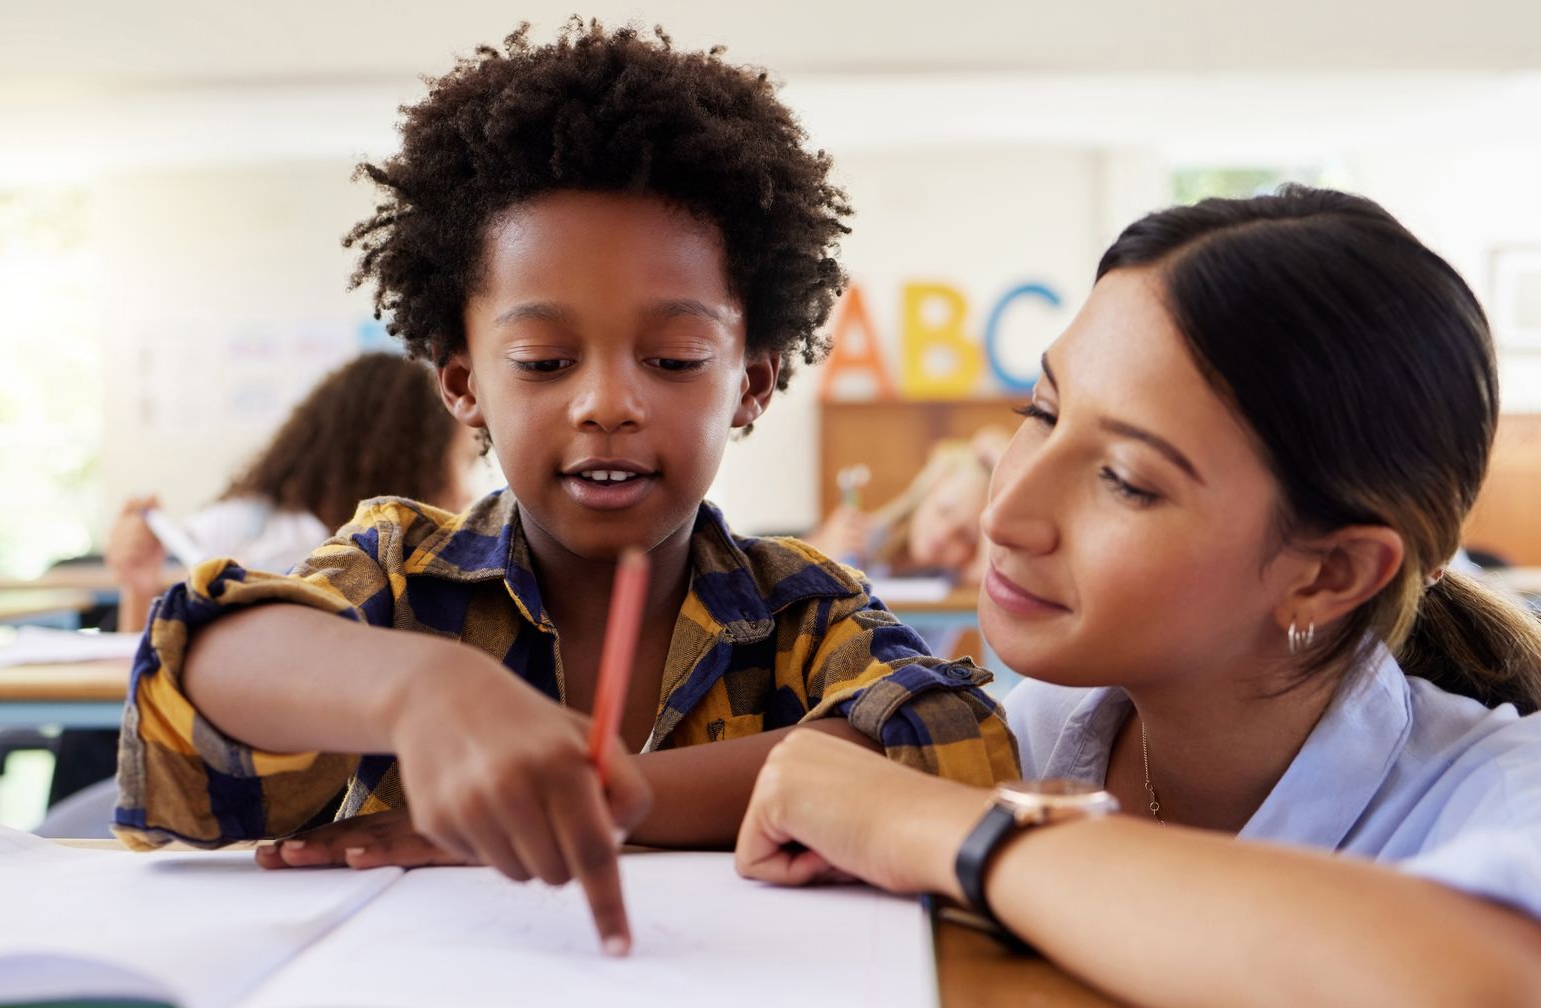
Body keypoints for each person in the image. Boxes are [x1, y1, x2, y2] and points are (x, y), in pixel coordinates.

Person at [730, 187, 1541, 1008]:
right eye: (1043, 410)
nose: (1007, 510)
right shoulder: (1034, 735)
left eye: (1126, 479)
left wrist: (962, 835)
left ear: (1328, 574)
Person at [111, 21, 1019, 954]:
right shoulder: (401, 578)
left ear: (750, 381)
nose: (608, 403)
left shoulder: (800, 611)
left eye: (674, 358)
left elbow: (960, 748)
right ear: (464, 383)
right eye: (543, 361)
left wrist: (608, 794)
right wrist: (417, 689)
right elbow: (188, 697)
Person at [103, 351, 477, 636]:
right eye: (463, 464)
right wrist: (138, 587)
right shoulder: (243, 529)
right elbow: (148, 675)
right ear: (406, 462)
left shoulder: (418, 570)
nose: (466, 493)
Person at [808, 426, 1011, 583]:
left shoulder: (951, 579)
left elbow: (988, 575)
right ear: (931, 487)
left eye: (964, 537)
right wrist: (821, 558)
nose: (941, 535)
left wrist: (1001, 471)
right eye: (943, 511)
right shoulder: (859, 538)